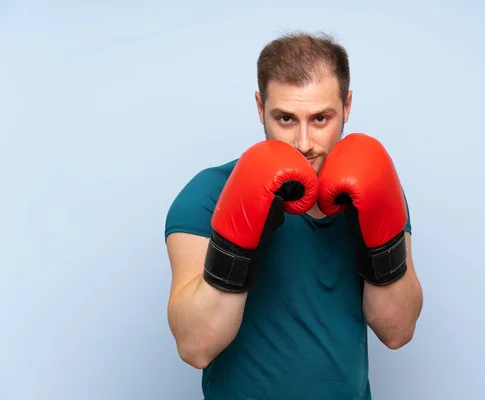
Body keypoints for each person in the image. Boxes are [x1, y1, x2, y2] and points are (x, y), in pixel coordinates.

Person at [164, 31, 424, 400]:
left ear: (347, 106)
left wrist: (382, 232)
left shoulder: (375, 187)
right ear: (260, 108)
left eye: (321, 118)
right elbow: (195, 346)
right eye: (285, 118)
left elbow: (397, 330)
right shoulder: (207, 194)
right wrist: (239, 237)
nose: (303, 143)